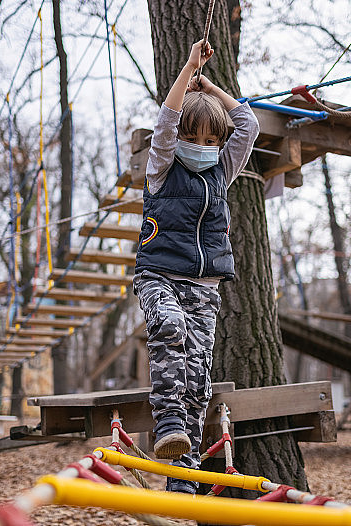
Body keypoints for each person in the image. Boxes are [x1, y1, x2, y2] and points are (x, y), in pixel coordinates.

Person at [132, 39, 259, 494]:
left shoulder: (221, 171)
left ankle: (181, 469)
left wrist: (212, 86)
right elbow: (166, 121)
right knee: (168, 328)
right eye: (192, 138)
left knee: (198, 374)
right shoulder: (163, 168)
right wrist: (188, 71)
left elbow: (248, 123)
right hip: (159, 276)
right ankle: (166, 419)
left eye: (209, 140)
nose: (200, 146)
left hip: (205, 286)